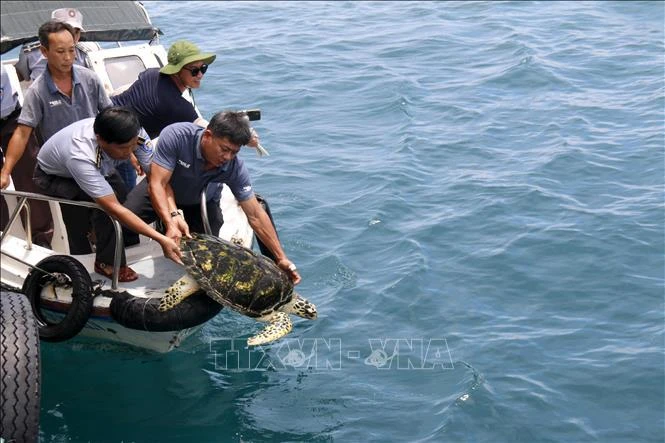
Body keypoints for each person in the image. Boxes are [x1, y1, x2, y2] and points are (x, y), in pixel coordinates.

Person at [123, 111, 301, 284]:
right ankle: (122, 259)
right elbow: (157, 184)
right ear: (208, 135)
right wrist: (170, 220)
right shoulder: (178, 135)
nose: (228, 157)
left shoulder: (235, 167)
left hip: (200, 203)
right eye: (224, 149)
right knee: (125, 218)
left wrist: (281, 257)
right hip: (162, 188)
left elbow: (255, 214)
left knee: (206, 257)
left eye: (234, 152)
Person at [33, 107, 181, 282]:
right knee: (101, 213)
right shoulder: (80, 155)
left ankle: (123, 244)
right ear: (100, 140)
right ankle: (104, 263)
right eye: (125, 148)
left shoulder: (135, 133)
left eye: (133, 146)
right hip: (56, 176)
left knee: (126, 203)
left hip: (102, 166)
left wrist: (172, 219)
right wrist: (160, 239)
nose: (130, 152)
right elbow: (114, 208)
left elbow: (157, 180)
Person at [0, 20, 113, 247]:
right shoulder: (38, 91)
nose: (68, 57)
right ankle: (81, 266)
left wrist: (132, 153)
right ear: (44, 52)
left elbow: (111, 117)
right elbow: (23, 133)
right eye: (60, 51)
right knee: (75, 224)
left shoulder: (90, 79)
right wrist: (6, 171)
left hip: (98, 160)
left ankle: (115, 259)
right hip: (63, 170)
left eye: (72, 50)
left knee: (115, 209)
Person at [14, 8, 93, 82]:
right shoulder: (32, 53)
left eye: (77, 31)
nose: (73, 36)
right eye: (67, 31)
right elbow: (18, 75)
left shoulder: (88, 52)